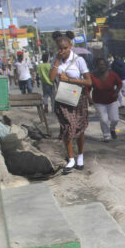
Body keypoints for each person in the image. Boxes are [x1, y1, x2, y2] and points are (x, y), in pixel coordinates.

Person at [49, 31, 92, 174]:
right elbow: (51, 78)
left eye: (65, 48)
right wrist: (56, 61)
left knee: (79, 128)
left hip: (78, 97)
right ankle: (71, 158)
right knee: (68, 127)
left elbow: (88, 81)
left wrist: (70, 80)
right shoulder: (56, 60)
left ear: (70, 46)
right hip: (63, 99)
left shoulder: (79, 60)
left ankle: (80, 155)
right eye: (59, 49)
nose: (62, 51)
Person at [90, 57, 123, 142]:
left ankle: (112, 129)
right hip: (98, 101)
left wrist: (116, 93)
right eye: (99, 65)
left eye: (103, 64)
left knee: (115, 119)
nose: (101, 66)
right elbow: (87, 88)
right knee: (104, 120)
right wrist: (89, 99)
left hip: (111, 100)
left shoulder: (112, 74)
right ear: (96, 66)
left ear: (106, 65)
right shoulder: (92, 76)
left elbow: (120, 83)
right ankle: (106, 135)